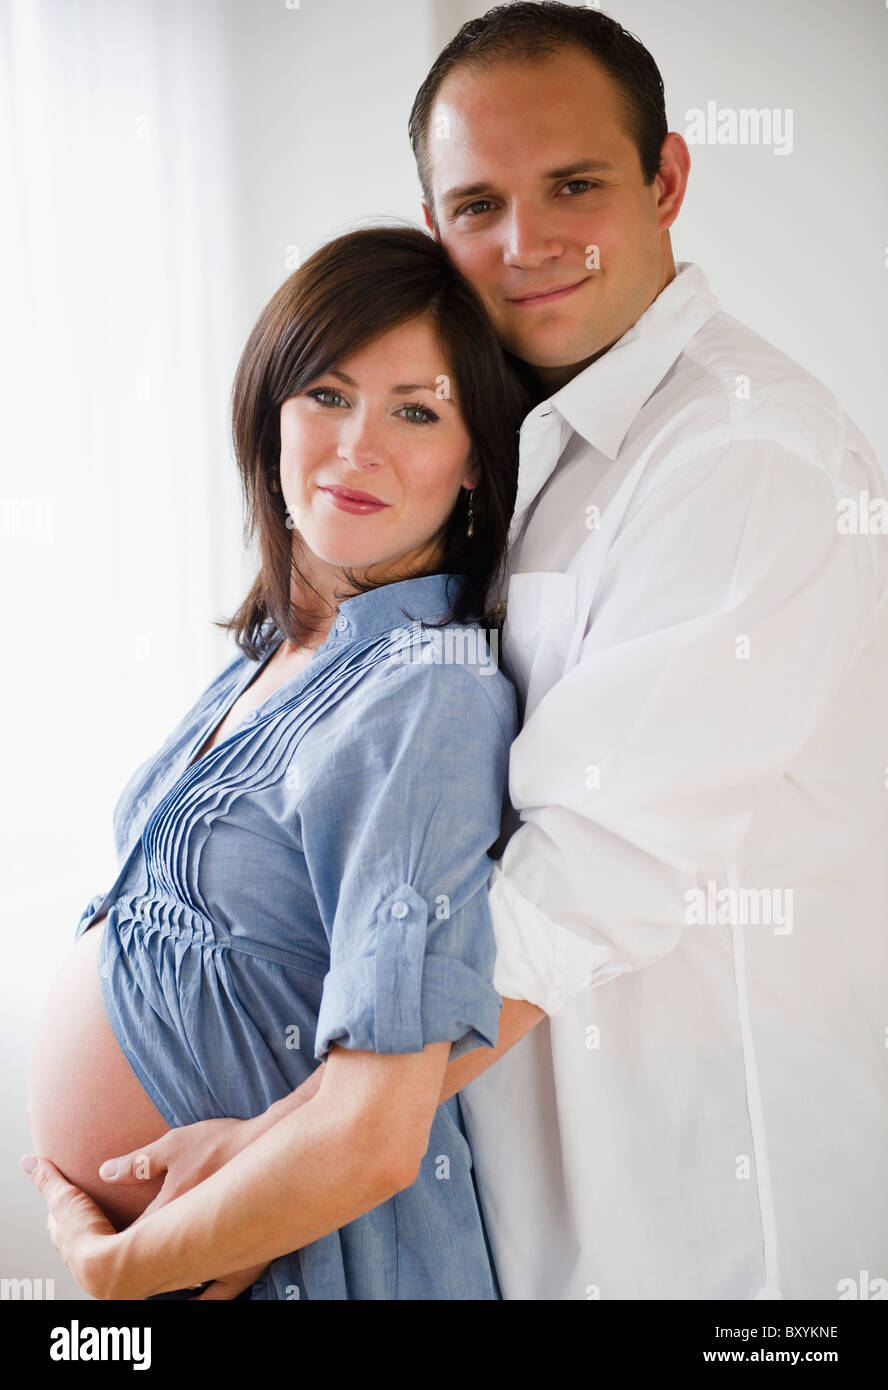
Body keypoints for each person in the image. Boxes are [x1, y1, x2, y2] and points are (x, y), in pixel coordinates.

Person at [27, 3, 888, 1302]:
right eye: (478, 201)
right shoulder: (524, 441)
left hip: (693, 1209)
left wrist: (277, 1164)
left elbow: (582, 883)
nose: (525, 242)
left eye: (575, 185)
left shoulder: (738, 454)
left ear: (666, 178)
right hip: (516, 1195)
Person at [21, 223, 534, 1300]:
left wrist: (122, 1272)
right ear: (270, 411)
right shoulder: (281, 652)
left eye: (416, 411)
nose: (357, 448)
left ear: (477, 454)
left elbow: (378, 1133)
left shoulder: (424, 692)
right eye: (327, 395)